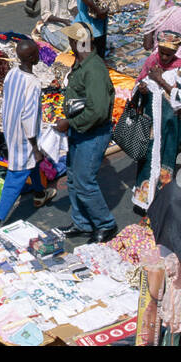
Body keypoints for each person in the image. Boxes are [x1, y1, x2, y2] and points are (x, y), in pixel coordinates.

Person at [0, 39, 57, 233]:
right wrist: (35, 147)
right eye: (37, 53)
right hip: (24, 136)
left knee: (32, 165)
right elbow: (29, 117)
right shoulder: (33, 83)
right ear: (32, 57)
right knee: (17, 175)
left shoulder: (12, 73)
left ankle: (39, 193)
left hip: (10, 129)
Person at [57, 22, 116, 241]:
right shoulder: (81, 64)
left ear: (78, 42)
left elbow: (98, 110)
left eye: (71, 40)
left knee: (84, 181)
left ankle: (105, 223)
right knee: (73, 177)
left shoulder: (94, 69)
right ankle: (82, 223)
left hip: (92, 133)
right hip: (80, 129)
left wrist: (70, 124)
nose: (69, 44)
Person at [131, 31, 181, 209]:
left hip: (169, 125)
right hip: (151, 124)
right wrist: (142, 89)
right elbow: (138, 84)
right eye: (162, 53)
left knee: (167, 157)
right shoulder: (151, 61)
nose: (165, 57)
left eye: (169, 54)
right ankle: (144, 200)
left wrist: (160, 80)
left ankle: (161, 201)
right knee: (147, 158)